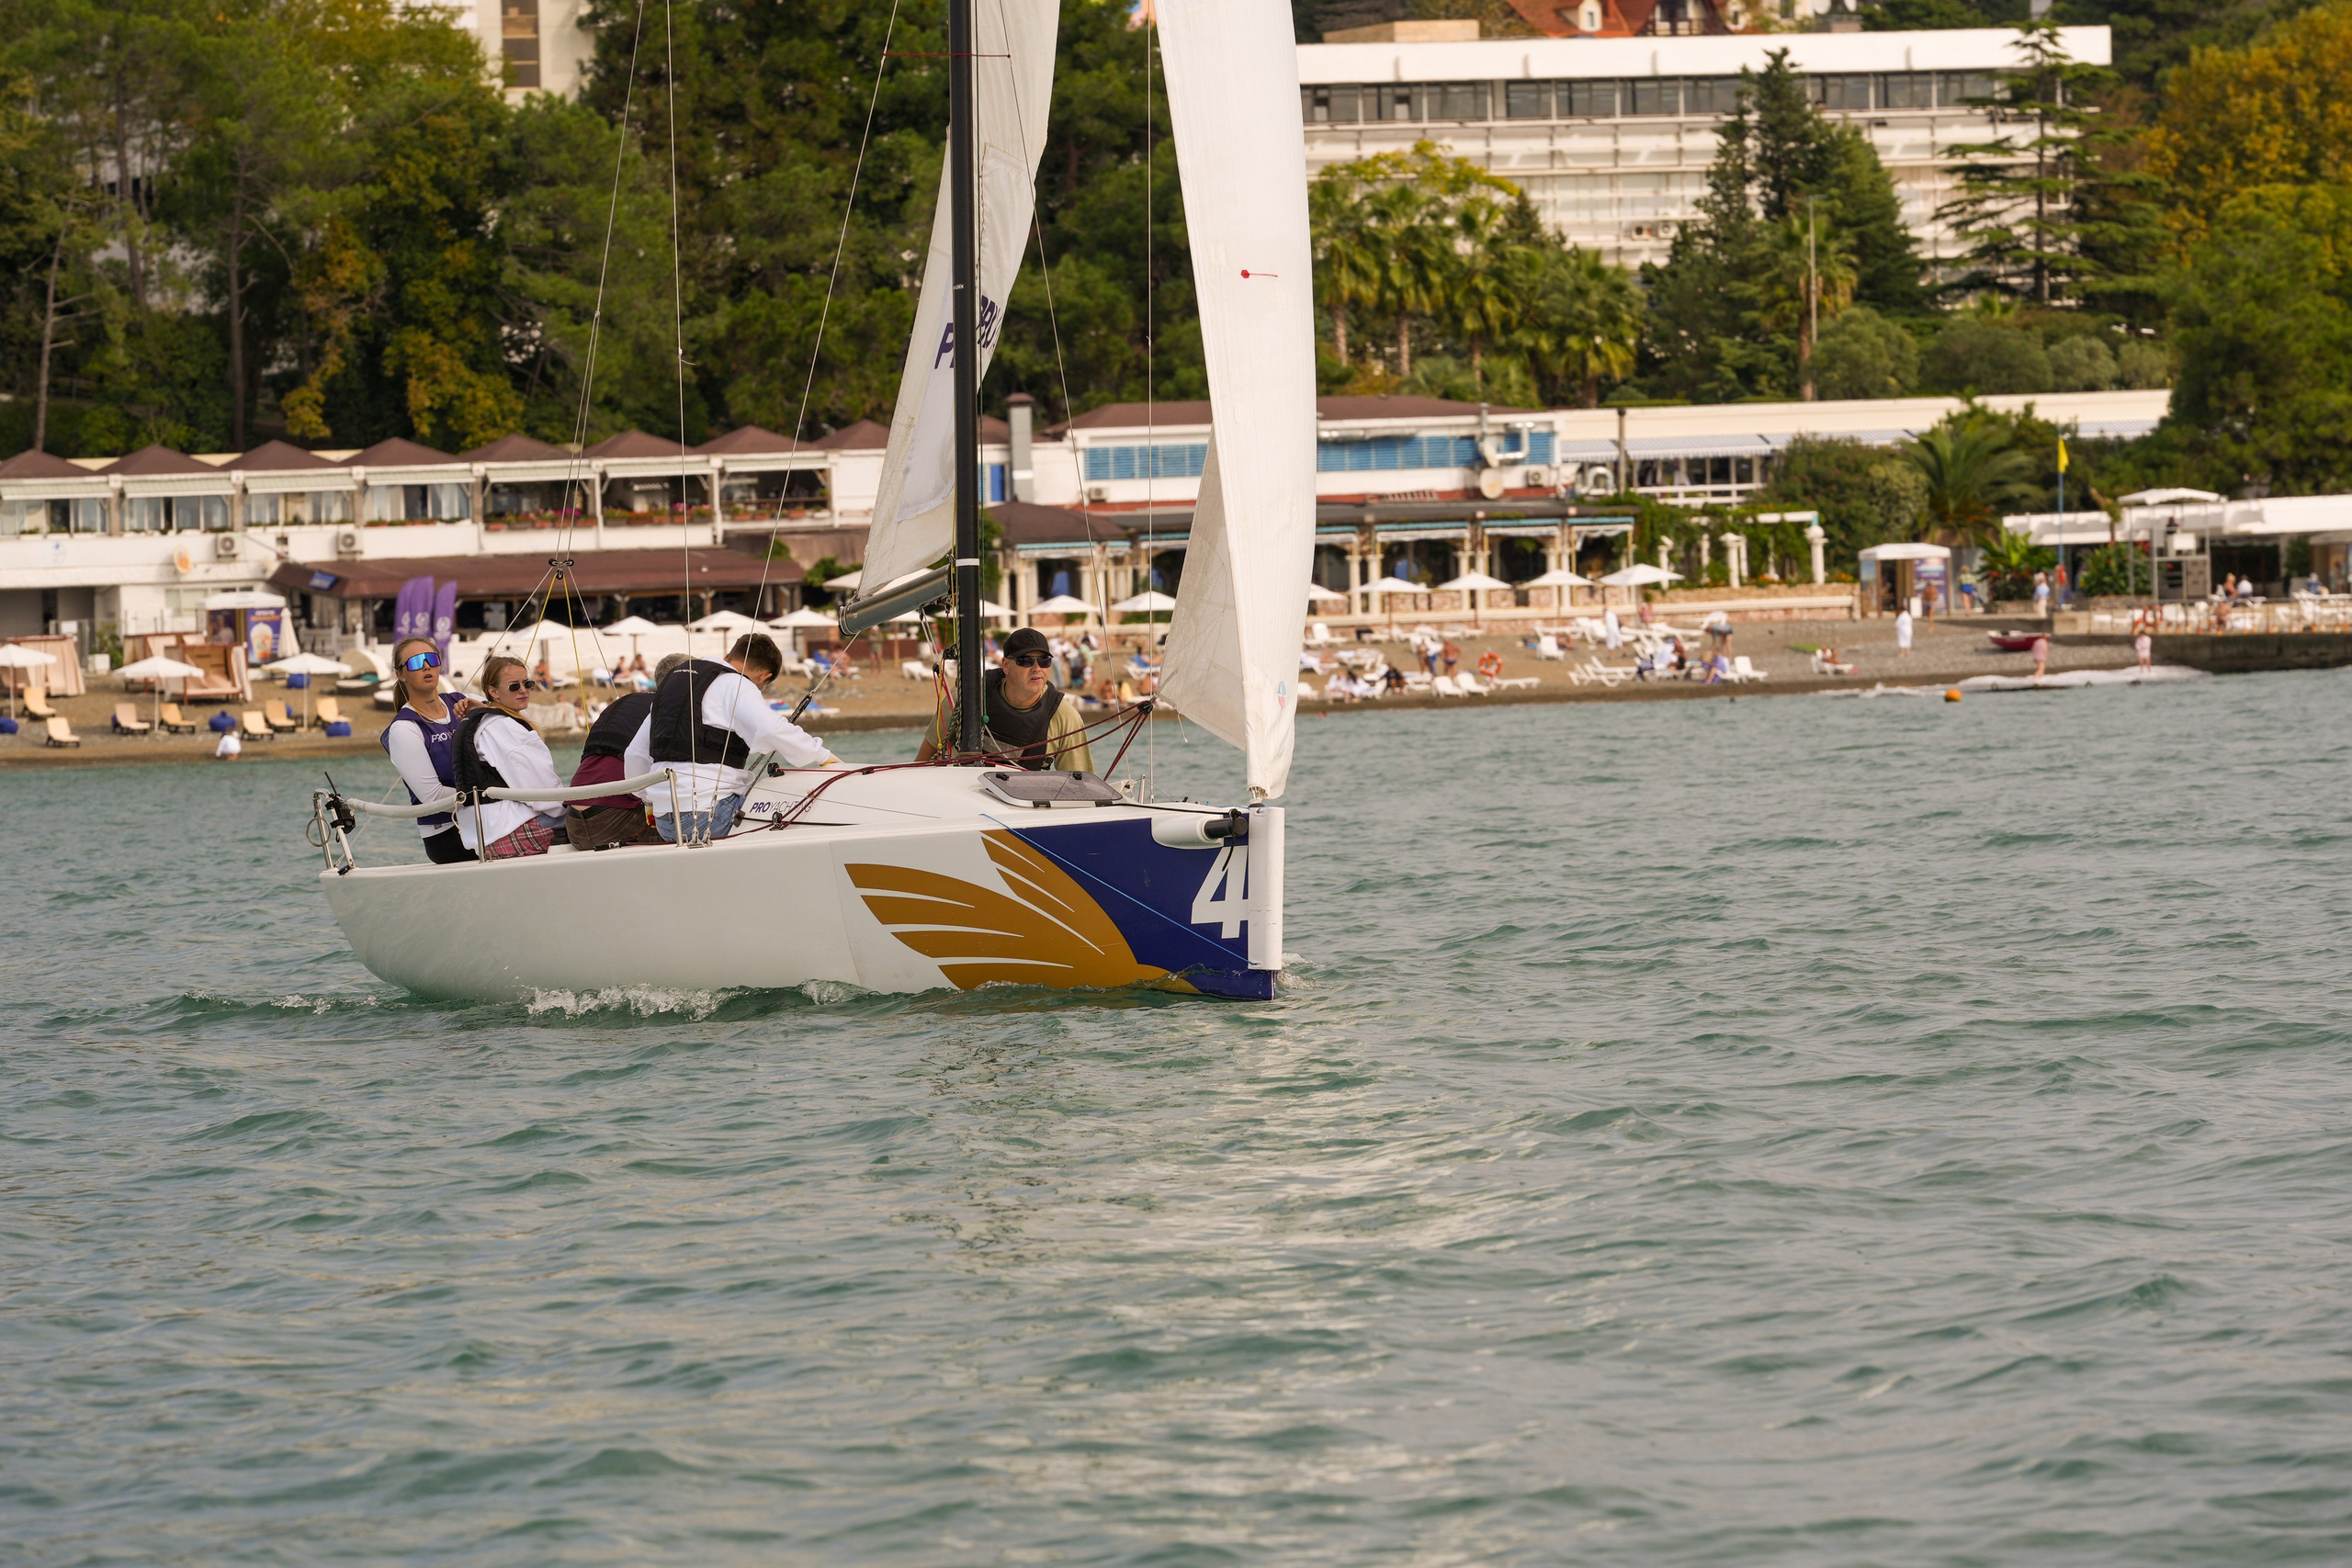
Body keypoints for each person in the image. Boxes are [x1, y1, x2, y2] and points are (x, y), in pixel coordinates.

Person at [623, 633, 834, 841]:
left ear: (727, 656)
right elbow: (771, 729)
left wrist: (652, 800)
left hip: (665, 823)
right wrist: (823, 756)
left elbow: (634, 754)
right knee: (800, 816)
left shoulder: (670, 687)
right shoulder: (737, 683)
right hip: (710, 815)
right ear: (764, 677)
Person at [916, 626, 1096, 773]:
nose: (1036, 668)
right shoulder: (969, 696)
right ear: (1006, 665)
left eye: (1043, 661)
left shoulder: (1064, 717)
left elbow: (1080, 783)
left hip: (1016, 806)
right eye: (1025, 660)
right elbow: (924, 757)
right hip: (958, 791)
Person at [453, 654, 568, 860]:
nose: (523, 690)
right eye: (514, 686)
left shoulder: (485, 722)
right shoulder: (503, 727)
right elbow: (539, 791)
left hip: (485, 834)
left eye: (528, 683)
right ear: (493, 691)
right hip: (507, 832)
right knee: (596, 821)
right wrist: (571, 811)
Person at [566, 653, 684, 852]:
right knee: (692, 827)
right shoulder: (668, 709)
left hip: (574, 824)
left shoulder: (623, 702)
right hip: (612, 823)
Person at [380, 636, 472, 866]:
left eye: (431, 659)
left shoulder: (463, 702)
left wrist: (483, 708)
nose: (426, 666)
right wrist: (489, 796)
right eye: (415, 662)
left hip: (489, 817)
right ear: (401, 674)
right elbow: (431, 796)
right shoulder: (404, 728)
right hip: (447, 833)